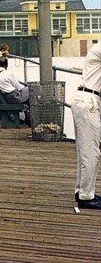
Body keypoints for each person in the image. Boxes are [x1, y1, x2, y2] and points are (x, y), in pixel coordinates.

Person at [72, 43, 101, 210]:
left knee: (84, 151)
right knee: (91, 152)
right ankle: (86, 196)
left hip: (85, 100)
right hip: (88, 102)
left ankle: (82, 190)